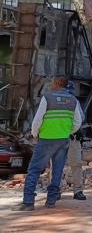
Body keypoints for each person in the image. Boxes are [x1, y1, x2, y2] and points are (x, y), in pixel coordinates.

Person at [13, 76, 83, 211]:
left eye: (52, 82)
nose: (51, 84)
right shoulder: (73, 100)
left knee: (34, 169)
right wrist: (67, 132)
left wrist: (35, 134)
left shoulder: (47, 97)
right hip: (63, 140)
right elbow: (77, 122)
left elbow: (38, 119)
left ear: (56, 84)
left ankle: (28, 202)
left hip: (46, 139)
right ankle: (51, 201)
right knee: (57, 171)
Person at [51, 80, 87, 201]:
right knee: (57, 165)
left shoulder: (74, 101)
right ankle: (55, 190)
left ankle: (78, 190)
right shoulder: (53, 101)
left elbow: (81, 118)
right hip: (60, 137)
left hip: (71, 138)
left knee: (75, 164)